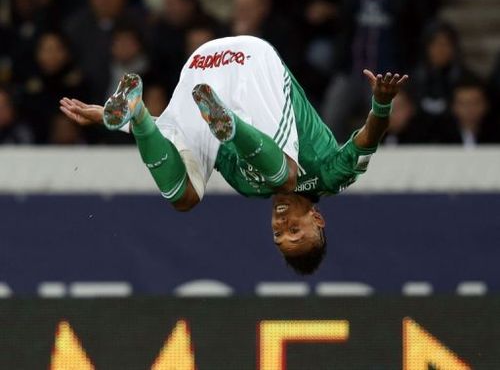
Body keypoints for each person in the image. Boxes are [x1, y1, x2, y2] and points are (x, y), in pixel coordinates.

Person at [60, 36, 408, 275]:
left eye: (278, 235)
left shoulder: (247, 186)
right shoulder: (333, 177)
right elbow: (368, 139)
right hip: (250, 63)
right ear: (318, 220)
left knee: (186, 197)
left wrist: (119, 121)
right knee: (287, 175)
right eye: (295, 232)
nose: (281, 226)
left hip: (201, 66)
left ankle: (136, 112)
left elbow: (180, 136)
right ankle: (232, 126)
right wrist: (382, 101)